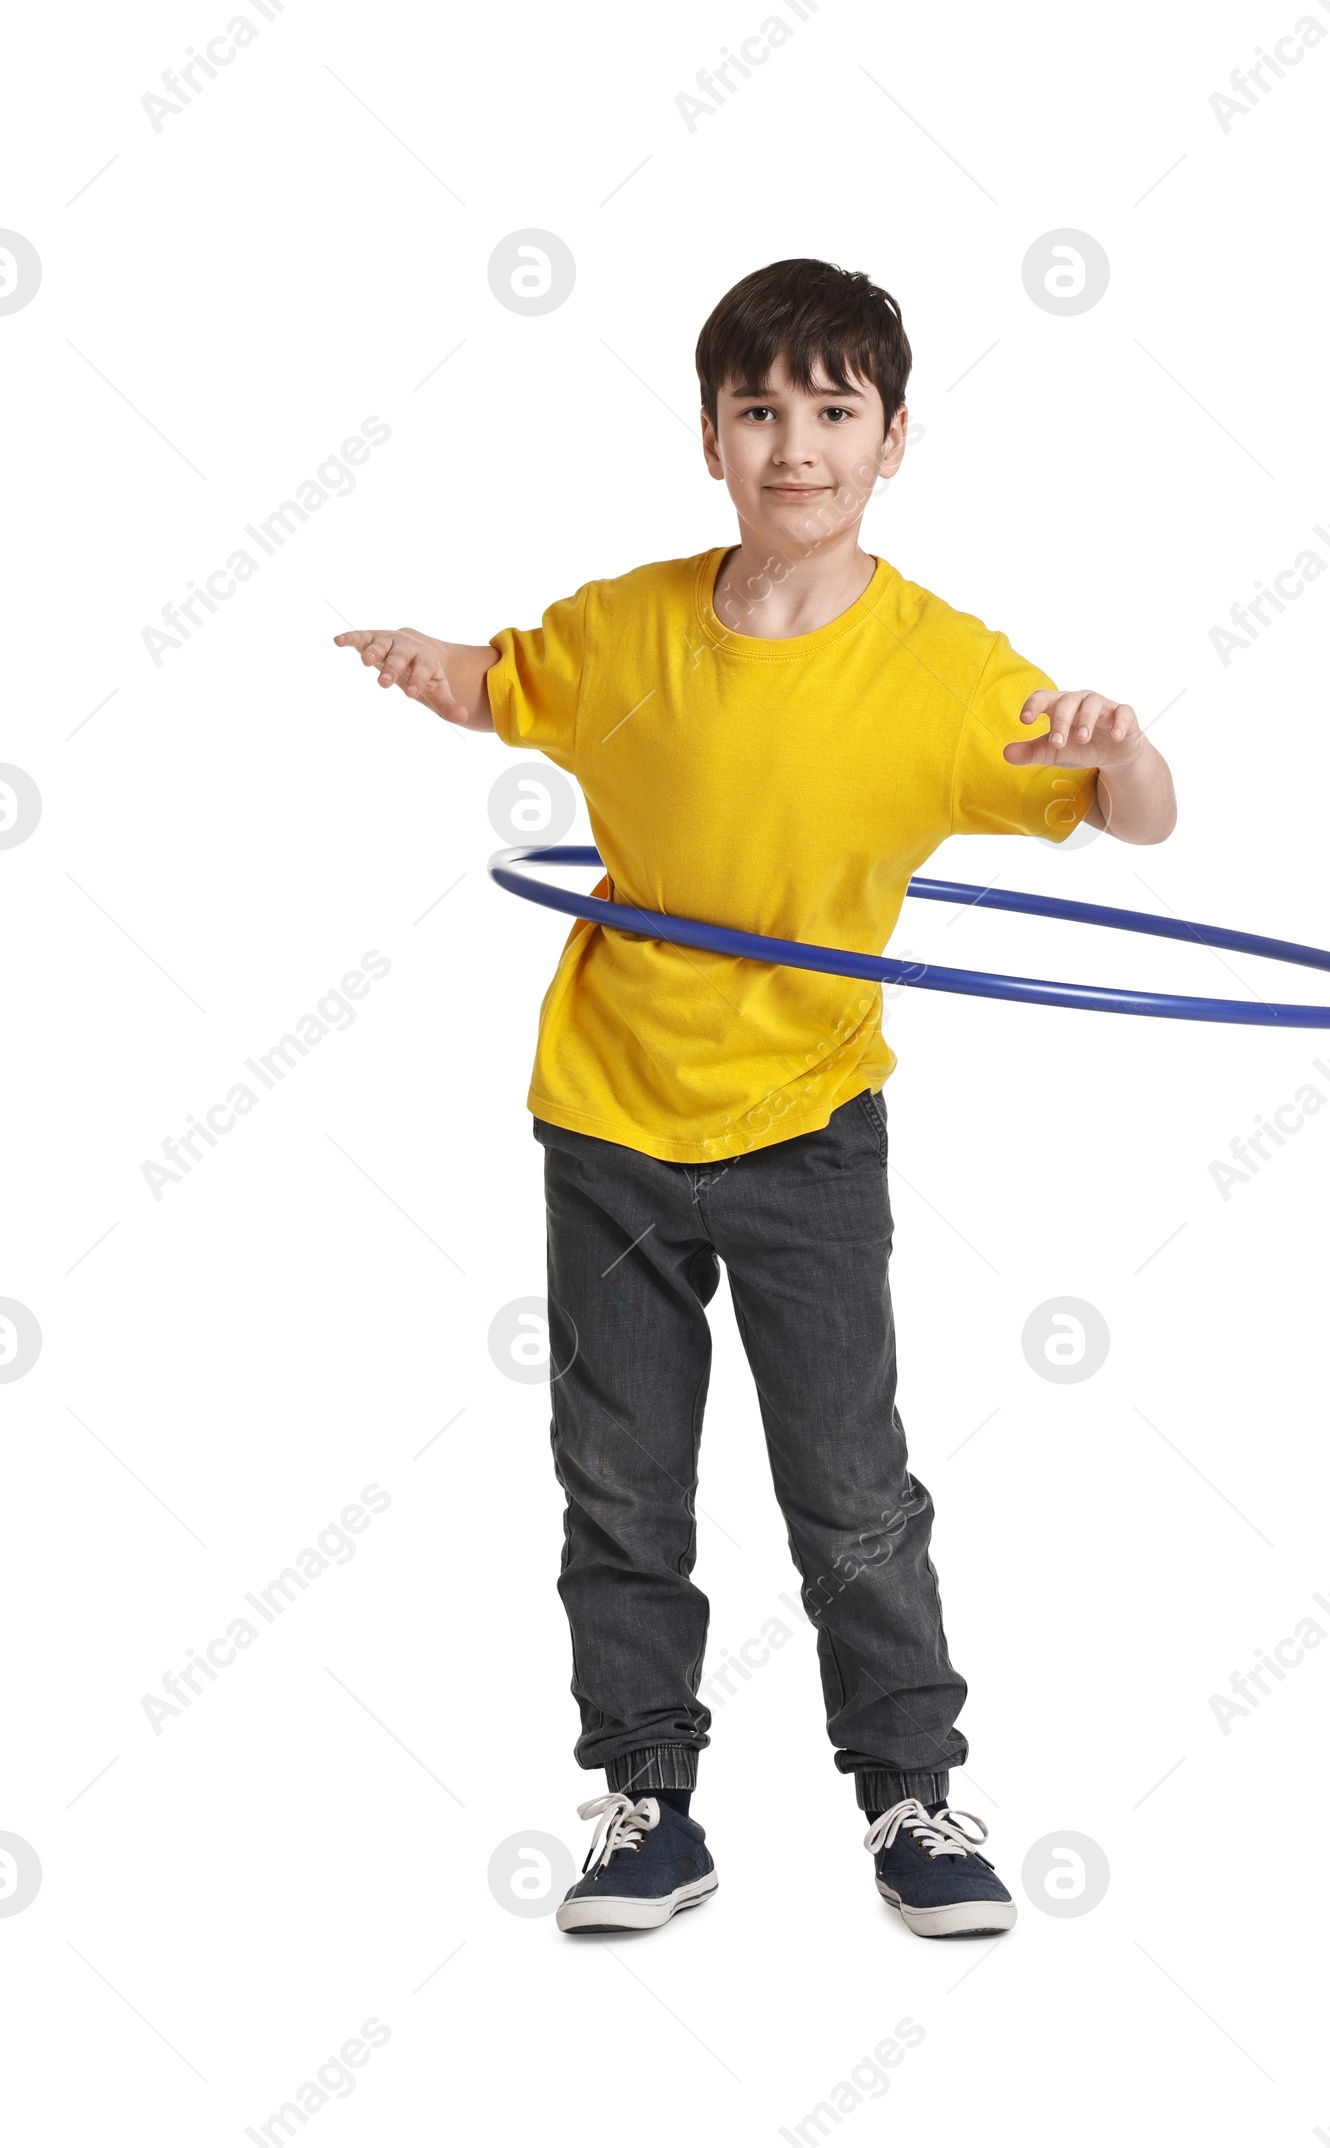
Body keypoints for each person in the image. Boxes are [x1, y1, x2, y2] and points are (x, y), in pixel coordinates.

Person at [334, 258, 1176, 1938]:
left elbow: (1136, 821)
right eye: (762, 411)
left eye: (833, 412)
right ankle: (646, 1803)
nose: (798, 446)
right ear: (711, 436)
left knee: (849, 1478)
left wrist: (1119, 738)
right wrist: (430, 662)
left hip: (807, 1128)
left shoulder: (943, 674)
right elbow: (507, 680)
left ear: (895, 440)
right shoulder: (628, 624)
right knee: (620, 1474)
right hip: (610, 1117)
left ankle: (915, 1802)